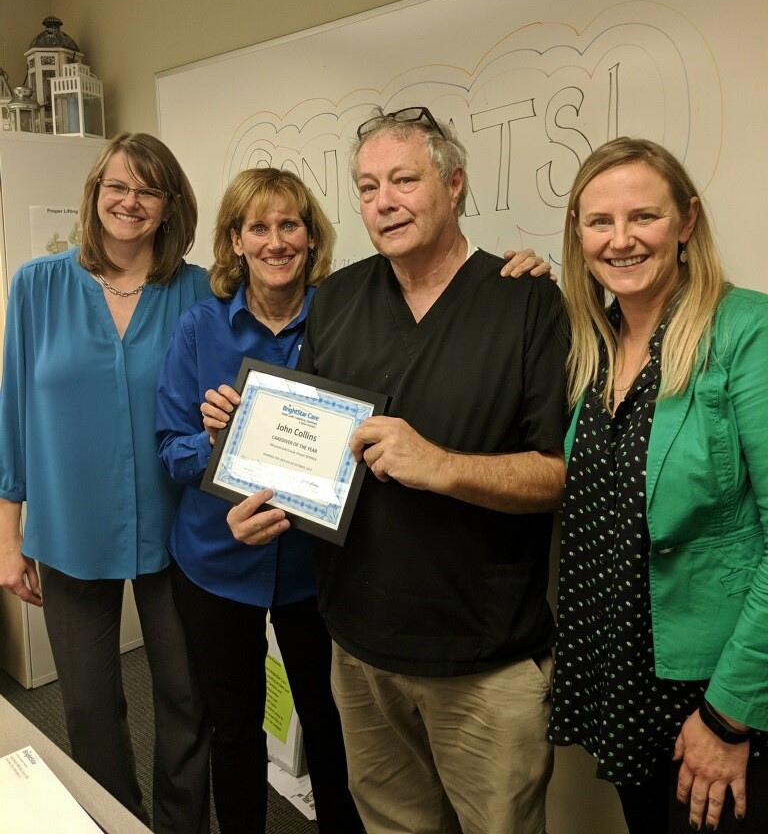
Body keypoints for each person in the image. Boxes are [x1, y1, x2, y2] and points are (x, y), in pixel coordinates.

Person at [226, 108, 568, 834]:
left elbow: (556, 474)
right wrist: (258, 495)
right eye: (368, 185)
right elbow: (310, 451)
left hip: (482, 659)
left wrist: (441, 466)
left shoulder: (526, 299)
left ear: (454, 184)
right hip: (359, 648)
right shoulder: (341, 299)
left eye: (404, 180)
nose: (384, 200)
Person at [548, 137, 768, 834]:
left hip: (715, 687)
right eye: (598, 222)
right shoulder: (594, 346)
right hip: (625, 678)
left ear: (687, 222)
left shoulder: (744, 332)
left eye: (643, 216)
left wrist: (729, 714)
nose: (620, 240)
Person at [0, 133, 211, 833]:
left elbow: (287, 307)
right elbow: (14, 414)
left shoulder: (199, 291)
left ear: (169, 204)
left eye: (149, 190)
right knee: (88, 704)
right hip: (70, 529)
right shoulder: (37, 285)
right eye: (117, 186)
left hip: (178, 528)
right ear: (94, 194)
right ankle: (119, 820)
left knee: (185, 697)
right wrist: (9, 537)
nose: (131, 202)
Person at [155, 168, 364, 834]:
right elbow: (171, 448)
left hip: (316, 570)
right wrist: (215, 440)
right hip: (216, 564)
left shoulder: (348, 316)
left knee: (332, 728)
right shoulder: (199, 327)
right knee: (236, 727)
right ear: (234, 241)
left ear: (310, 236)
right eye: (258, 227)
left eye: (289, 225)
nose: (275, 241)